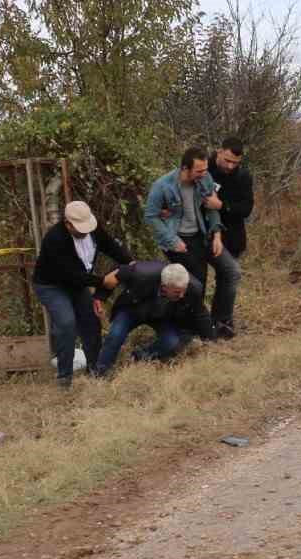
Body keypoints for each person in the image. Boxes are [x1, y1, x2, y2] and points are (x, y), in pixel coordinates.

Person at [32, 200, 132, 389]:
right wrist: (102, 281)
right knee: (66, 323)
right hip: (52, 286)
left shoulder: (93, 230)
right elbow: (70, 275)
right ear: (67, 223)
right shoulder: (55, 239)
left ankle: (96, 370)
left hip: (77, 285)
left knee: (91, 322)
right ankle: (64, 377)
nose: (85, 231)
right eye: (79, 227)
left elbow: (110, 246)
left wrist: (131, 262)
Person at [144, 147, 242, 339]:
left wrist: (216, 234)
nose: (204, 174)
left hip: (203, 234)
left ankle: (220, 322)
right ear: (185, 168)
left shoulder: (204, 179)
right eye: (199, 171)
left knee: (231, 271)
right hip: (179, 240)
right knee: (196, 285)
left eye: (205, 169)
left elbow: (211, 207)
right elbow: (151, 216)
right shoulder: (162, 186)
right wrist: (172, 240)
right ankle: (188, 330)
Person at [91, 261, 212, 374]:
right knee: (115, 335)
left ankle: (139, 357)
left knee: (171, 342)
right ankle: (100, 372)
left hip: (161, 316)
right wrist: (100, 297)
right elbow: (114, 274)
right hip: (132, 309)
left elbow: (201, 314)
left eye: (183, 291)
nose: (181, 295)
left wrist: (209, 341)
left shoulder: (193, 287)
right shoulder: (141, 272)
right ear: (165, 286)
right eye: (177, 292)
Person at [208, 137, 255, 260]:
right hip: (201, 234)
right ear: (219, 152)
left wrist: (221, 206)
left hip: (231, 238)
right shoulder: (203, 168)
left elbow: (246, 209)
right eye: (227, 160)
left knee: (231, 275)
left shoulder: (243, 177)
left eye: (235, 163)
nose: (230, 166)